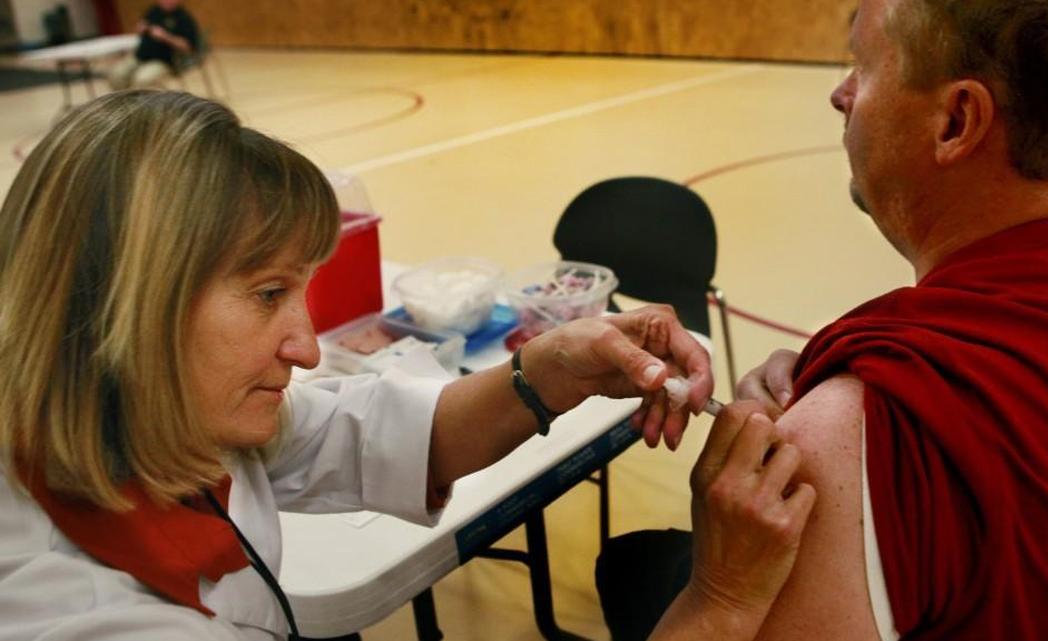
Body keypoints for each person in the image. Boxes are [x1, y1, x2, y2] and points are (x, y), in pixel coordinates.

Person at [0, 90, 816, 641]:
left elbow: (355, 433)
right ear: (124, 306)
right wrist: (720, 603)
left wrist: (550, 367)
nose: (308, 347)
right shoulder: (72, 611)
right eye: (266, 292)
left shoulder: (148, 413)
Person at [600, 0, 1048, 639]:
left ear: (956, 120)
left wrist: (720, 598)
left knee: (631, 565)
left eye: (862, 65)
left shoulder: (866, 424)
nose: (841, 93)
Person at [107, 0, 198, 91]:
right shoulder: (153, 11)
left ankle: (140, 103)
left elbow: (188, 47)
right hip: (140, 55)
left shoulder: (184, 18)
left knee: (142, 80)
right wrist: (140, 29)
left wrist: (166, 37)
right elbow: (141, 29)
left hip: (163, 61)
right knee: (116, 74)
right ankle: (124, 102)